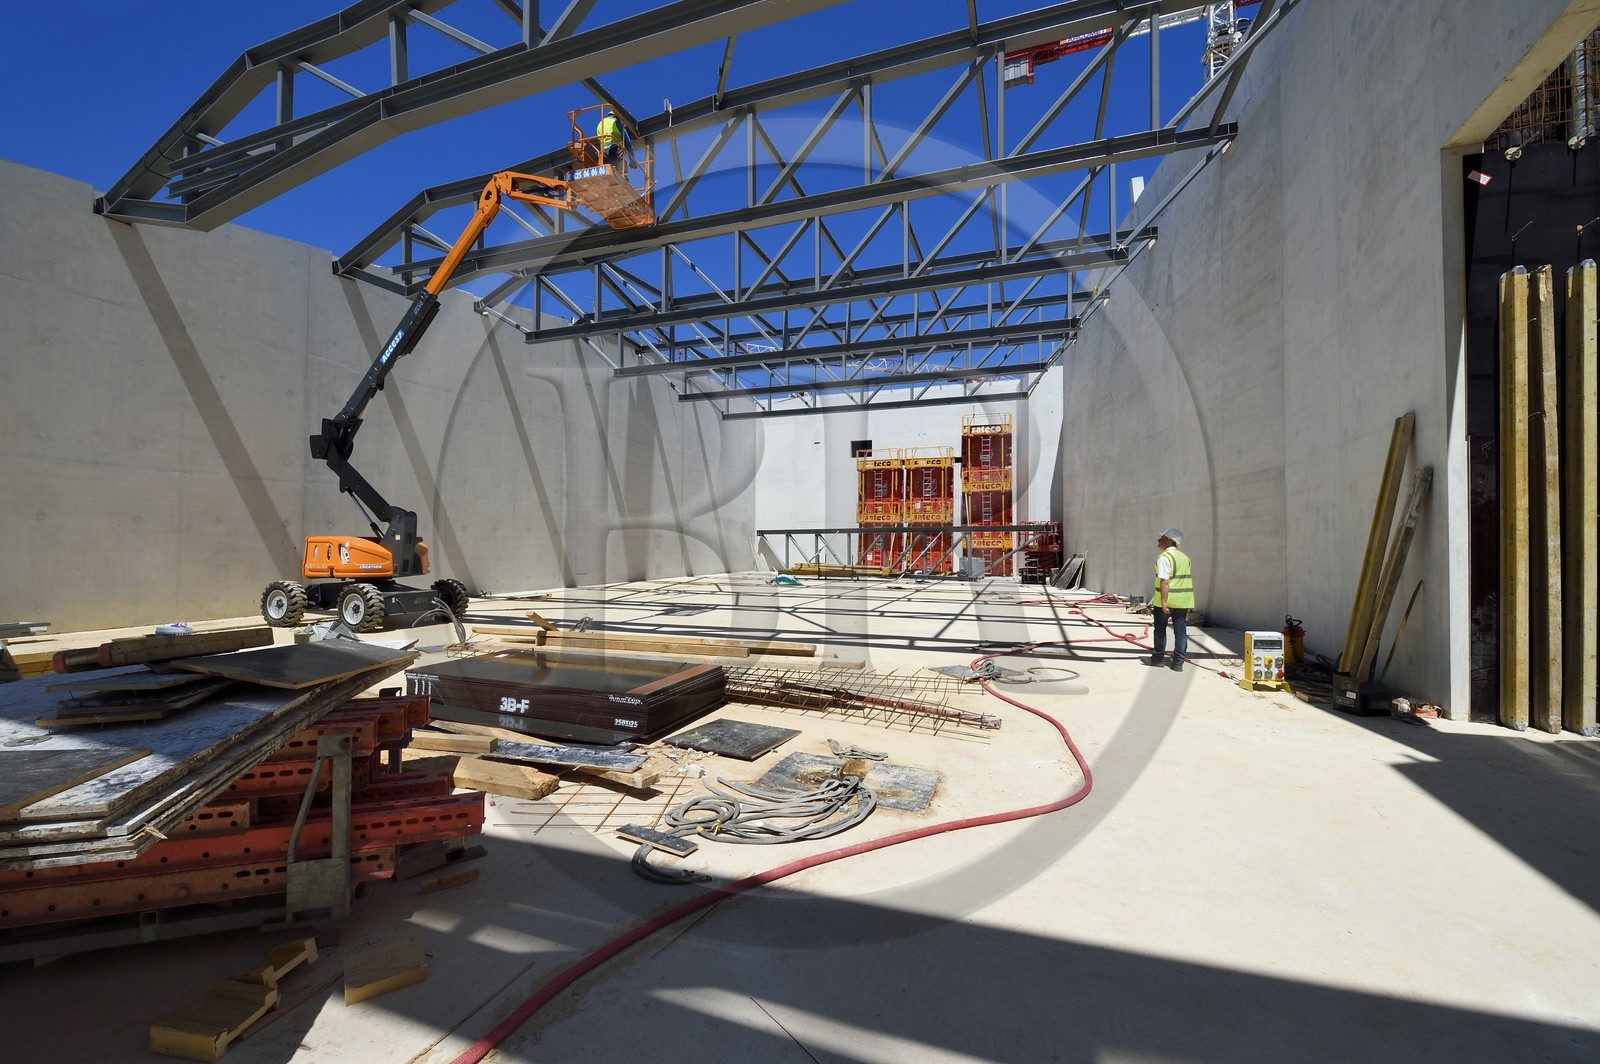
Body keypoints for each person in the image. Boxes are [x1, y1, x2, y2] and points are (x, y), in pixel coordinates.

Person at [1142, 527, 1194, 671]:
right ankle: (1178, 663)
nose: (1158, 540)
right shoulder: (1185, 558)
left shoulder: (1164, 558)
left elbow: (1165, 581)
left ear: (1169, 541)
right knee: (1181, 631)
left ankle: (1158, 658)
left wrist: (1164, 602)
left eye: (1162, 538)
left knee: (1160, 630)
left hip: (1167, 601)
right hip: (1183, 601)